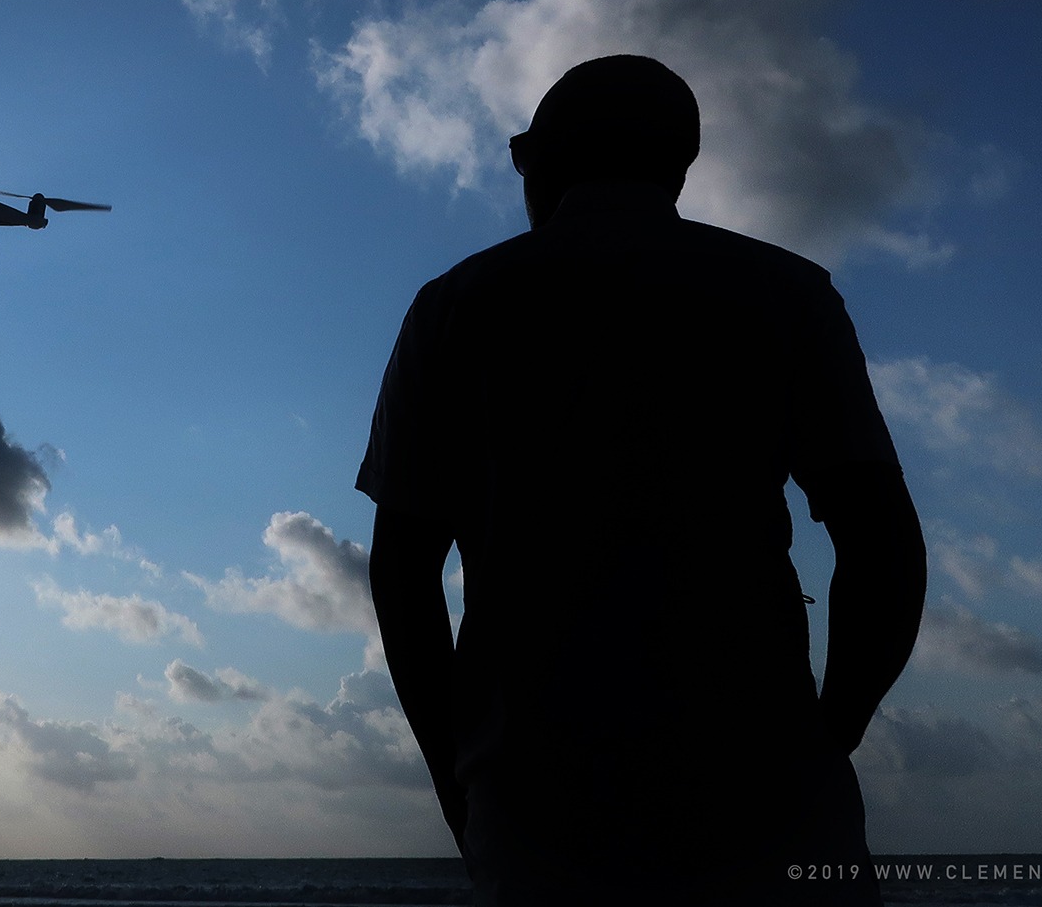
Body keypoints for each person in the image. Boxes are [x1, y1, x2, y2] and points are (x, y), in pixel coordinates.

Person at [359, 55, 926, 907]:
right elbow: (881, 544)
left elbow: (404, 570)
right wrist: (822, 739)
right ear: (678, 164)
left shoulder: (454, 307)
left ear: (543, 160)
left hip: (535, 797)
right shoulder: (785, 294)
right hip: (760, 782)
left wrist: (455, 773)